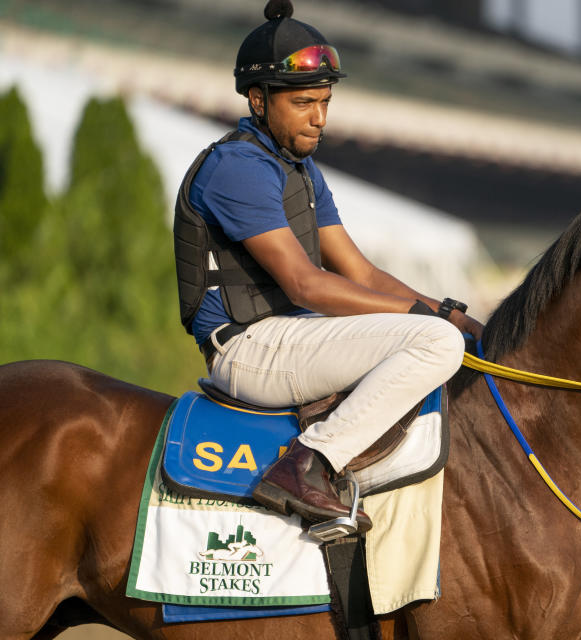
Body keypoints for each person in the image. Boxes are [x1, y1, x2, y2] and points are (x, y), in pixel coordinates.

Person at [173, 0, 483, 533]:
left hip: (294, 335)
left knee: (448, 334)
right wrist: (430, 322)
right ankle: (307, 464)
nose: (319, 117)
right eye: (303, 103)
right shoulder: (237, 168)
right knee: (435, 344)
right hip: (247, 348)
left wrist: (450, 310)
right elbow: (306, 284)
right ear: (258, 99)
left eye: (324, 101)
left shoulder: (300, 169)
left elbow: (362, 274)